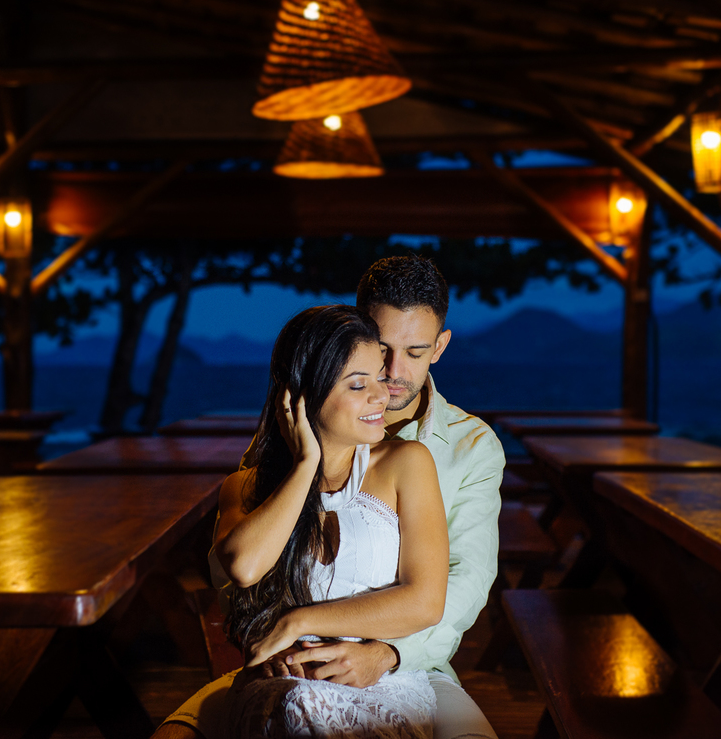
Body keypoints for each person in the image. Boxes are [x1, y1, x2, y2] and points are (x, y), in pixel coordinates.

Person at [159, 256, 503, 739]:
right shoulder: (280, 446)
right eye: (379, 351)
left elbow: (464, 582)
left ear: (440, 346)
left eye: (416, 351)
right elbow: (237, 572)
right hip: (285, 664)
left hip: (412, 661)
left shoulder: (467, 447)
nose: (392, 375)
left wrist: (387, 652)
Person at [217, 304, 449, 738]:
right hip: (283, 685)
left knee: (306, 711)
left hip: (382, 683)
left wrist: (298, 622)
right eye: (359, 384)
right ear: (301, 397)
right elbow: (243, 566)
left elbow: (425, 601)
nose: (382, 396)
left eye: (379, 378)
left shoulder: (407, 464)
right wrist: (306, 463)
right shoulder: (244, 486)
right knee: (294, 706)